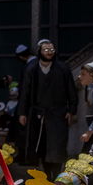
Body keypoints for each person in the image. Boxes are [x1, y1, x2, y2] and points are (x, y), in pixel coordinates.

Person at [17, 39, 76, 175]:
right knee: (41, 148)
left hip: (58, 114)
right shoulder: (31, 68)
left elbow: (71, 90)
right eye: (46, 50)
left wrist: (71, 110)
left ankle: (56, 177)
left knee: (57, 147)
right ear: (40, 51)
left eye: (51, 50)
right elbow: (24, 91)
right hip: (38, 114)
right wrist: (22, 113)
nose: (49, 52)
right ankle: (46, 177)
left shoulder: (63, 68)